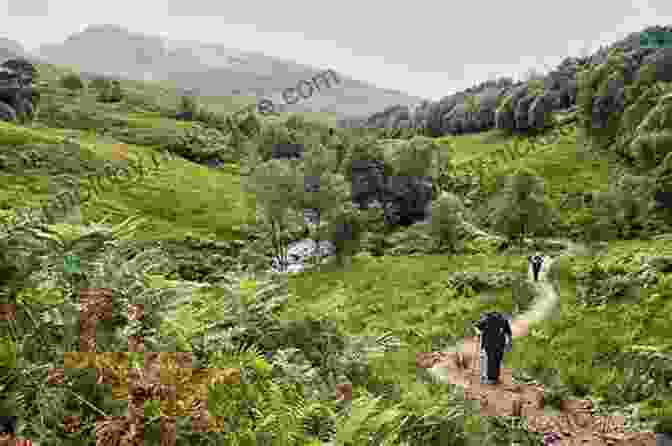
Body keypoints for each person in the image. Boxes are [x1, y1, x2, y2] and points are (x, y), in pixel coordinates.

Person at [475, 312, 512, 384]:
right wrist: (509, 343)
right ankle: (491, 378)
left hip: (492, 343)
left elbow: (477, 327)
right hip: (495, 344)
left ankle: (492, 378)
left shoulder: (487, 319)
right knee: (494, 360)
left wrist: (478, 333)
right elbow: (509, 333)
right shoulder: (502, 319)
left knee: (493, 360)